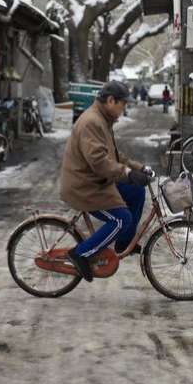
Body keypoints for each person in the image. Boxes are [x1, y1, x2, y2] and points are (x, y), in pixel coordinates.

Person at [60, 80, 153, 282]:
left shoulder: (103, 120)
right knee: (121, 219)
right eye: (123, 104)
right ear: (111, 100)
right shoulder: (92, 122)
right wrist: (127, 174)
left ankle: (123, 242)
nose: (124, 108)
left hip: (96, 180)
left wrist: (138, 168)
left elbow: (114, 156)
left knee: (136, 192)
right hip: (84, 186)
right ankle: (80, 253)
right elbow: (100, 162)